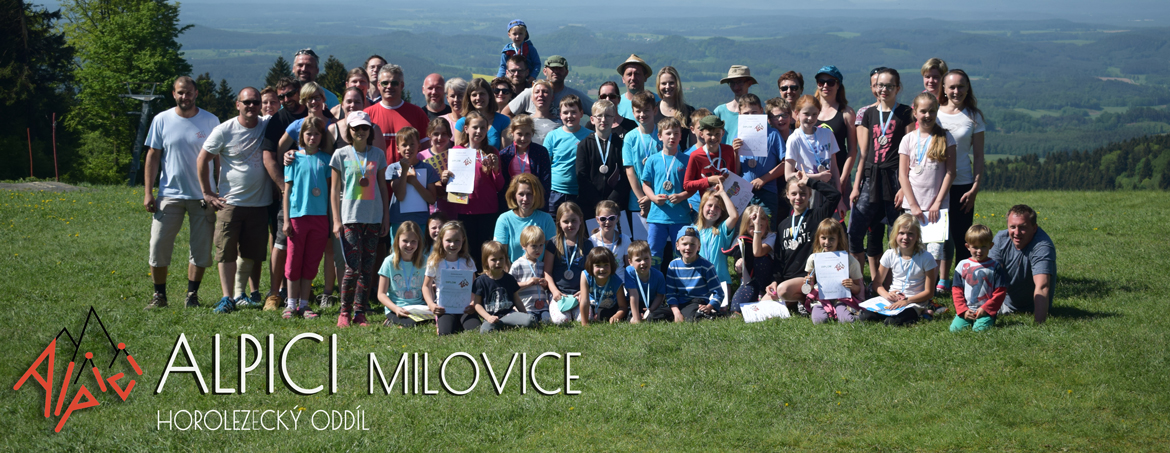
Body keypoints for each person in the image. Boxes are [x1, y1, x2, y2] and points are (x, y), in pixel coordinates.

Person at [142, 76, 220, 310]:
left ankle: (192, 296)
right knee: (158, 245)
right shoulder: (161, 119)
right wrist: (148, 192)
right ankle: (159, 296)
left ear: (196, 93)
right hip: (169, 194)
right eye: (180, 92)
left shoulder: (211, 120)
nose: (185, 96)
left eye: (189, 92)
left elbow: (218, 159)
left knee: (200, 248)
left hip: (203, 196)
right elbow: (153, 156)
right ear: (173, 94)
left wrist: (217, 189)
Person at [196, 87, 272, 314]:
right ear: (237, 104)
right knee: (226, 251)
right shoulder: (224, 130)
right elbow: (202, 159)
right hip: (230, 202)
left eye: (256, 102)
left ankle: (242, 294)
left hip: (259, 203)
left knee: (251, 253)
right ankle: (227, 297)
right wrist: (207, 192)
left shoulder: (267, 125)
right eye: (246, 102)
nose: (251, 106)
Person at [850, 68, 914, 283]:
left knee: (896, 232)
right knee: (855, 231)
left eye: (888, 85)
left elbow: (911, 152)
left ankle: (895, 282)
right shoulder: (868, 113)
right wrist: (856, 186)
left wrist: (905, 188)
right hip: (871, 177)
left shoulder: (906, 112)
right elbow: (864, 153)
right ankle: (858, 282)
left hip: (896, 177)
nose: (883, 89)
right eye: (879, 85)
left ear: (898, 88)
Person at [330, 111, 390, 328]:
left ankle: (360, 312)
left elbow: (382, 186)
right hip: (350, 218)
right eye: (356, 128)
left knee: (367, 268)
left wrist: (385, 217)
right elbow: (335, 189)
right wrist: (336, 220)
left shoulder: (378, 154)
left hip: (373, 217)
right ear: (349, 130)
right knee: (351, 267)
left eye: (365, 128)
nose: (360, 132)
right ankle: (344, 312)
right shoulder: (340, 154)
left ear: (370, 130)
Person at [938, 69, 987, 292]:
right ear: (944, 89)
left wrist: (975, 187)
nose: (956, 91)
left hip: (963, 185)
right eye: (952, 87)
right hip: (936, 184)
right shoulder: (935, 112)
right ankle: (934, 283)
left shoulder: (974, 116)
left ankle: (961, 285)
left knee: (961, 238)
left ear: (968, 88)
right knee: (937, 238)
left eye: (961, 86)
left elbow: (979, 155)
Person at [260, 77, 306, 311]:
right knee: (281, 241)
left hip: (315, 193)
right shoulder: (277, 120)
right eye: (282, 96)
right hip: (288, 193)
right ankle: (274, 293)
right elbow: (268, 157)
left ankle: (302, 291)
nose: (286, 99)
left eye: (290, 94)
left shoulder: (315, 113)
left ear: (299, 91)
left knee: (309, 243)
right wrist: (283, 187)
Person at [766, 172, 841, 314]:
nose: (798, 198)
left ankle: (807, 299)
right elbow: (779, 258)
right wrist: (774, 280)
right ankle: (799, 300)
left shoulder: (816, 216)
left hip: (808, 278)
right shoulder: (783, 225)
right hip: (787, 279)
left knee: (782, 291)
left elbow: (835, 195)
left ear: (810, 195)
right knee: (762, 305)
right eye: (794, 194)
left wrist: (810, 182)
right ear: (787, 195)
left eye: (803, 194)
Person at [438, 110, 505, 267]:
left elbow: (500, 186)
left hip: (488, 210)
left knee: (486, 253)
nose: (479, 131)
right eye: (475, 127)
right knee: (467, 252)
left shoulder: (492, 152)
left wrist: (496, 169)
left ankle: (484, 280)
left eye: (482, 128)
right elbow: (449, 185)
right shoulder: (456, 152)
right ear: (466, 129)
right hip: (464, 210)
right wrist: (444, 179)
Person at [899, 93, 957, 276]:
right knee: (912, 249)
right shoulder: (908, 139)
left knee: (933, 254)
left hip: (936, 209)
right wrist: (913, 205)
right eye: (923, 111)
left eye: (932, 111)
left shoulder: (946, 137)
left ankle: (930, 288)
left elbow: (950, 173)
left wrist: (937, 203)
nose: (927, 115)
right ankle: (914, 285)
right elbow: (903, 175)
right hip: (913, 207)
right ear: (915, 113)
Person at [280, 116, 330, 319]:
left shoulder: (327, 159)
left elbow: (331, 190)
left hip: (320, 217)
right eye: (309, 134)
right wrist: (286, 220)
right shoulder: (293, 159)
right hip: (297, 216)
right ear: (302, 136)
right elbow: (287, 191)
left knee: (312, 261)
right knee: (294, 260)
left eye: (317, 134)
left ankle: (304, 304)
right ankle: (291, 304)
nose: (312, 137)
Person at [858, 213, 938, 326]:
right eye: (901, 233)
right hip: (892, 299)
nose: (905, 237)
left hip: (914, 302)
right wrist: (887, 295)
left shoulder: (926, 257)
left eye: (910, 234)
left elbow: (929, 292)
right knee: (865, 317)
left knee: (891, 322)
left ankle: (922, 312)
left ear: (917, 236)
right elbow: (877, 284)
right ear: (895, 234)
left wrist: (907, 301)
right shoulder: (890, 254)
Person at [988, 204, 1055, 324]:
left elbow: (1042, 286)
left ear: (1034, 228)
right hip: (1004, 303)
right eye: (1012, 227)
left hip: (1033, 307)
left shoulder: (1042, 246)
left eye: (1022, 227)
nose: (1017, 232)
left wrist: (1039, 325)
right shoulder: (1001, 239)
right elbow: (990, 276)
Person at [640, 117, 690, 270]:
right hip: (657, 216)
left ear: (681, 137)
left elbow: (692, 187)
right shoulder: (652, 160)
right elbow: (645, 185)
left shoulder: (687, 160)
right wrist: (653, 198)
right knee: (654, 254)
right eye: (668, 133)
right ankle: (654, 282)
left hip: (680, 216)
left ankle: (679, 282)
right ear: (660, 136)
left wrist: (681, 196)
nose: (672, 137)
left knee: (681, 254)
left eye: (676, 133)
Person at [731, 93, 785, 223]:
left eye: (754, 112)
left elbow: (786, 164)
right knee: (744, 229)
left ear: (761, 111)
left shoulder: (772, 134)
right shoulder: (738, 136)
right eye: (746, 114)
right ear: (739, 114)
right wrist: (735, 153)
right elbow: (736, 171)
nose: (750, 116)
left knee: (767, 228)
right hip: (743, 193)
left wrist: (764, 179)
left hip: (767, 191)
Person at [800, 219, 864, 324]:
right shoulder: (814, 259)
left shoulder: (849, 260)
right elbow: (810, 287)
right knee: (819, 321)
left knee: (847, 321)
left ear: (839, 239)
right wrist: (809, 282)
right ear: (818, 238)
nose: (827, 242)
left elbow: (858, 289)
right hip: (821, 297)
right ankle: (830, 312)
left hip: (842, 298)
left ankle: (851, 314)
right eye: (823, 238)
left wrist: (852, 286)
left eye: (832, 239)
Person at [423, 221, 480, 335]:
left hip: (465, 307)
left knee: (475, 329)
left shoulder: (467, 261)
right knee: (445, 333)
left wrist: (473, 303)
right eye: (448, 240)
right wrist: (431, 305)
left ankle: (459, 321)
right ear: (441, 240)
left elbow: (475, 285)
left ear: (463, 240)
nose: (453, 244)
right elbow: (426, 286)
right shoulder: (435, 262)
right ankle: (444, 321)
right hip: (445, 308)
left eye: (457, 240)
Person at [365, 64, 431, 162]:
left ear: (402, 85)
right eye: (385, 83)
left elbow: (426, 150)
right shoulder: (367, 114)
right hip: (377, 171)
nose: (389, 86)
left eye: (394, 83)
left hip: (410, 171)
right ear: (378, 85)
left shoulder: (417, 113)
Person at [576, 99, 629, 219]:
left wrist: (611, 202)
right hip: (590, 206)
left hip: (616, 206)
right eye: (599, 116)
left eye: (608, 116)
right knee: (593, 233)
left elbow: (626, 176)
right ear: (592, 119)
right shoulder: (584, 145)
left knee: (616, 231)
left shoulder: (622, 145)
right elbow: (581, 176)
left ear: (614, 119)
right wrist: (597, 202)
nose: (603, 120)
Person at [950, 224, 1008, 332]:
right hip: (967, 310)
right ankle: (967, 319)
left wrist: (986, 309)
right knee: (955, 330)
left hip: (985, 311)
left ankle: (988, 319)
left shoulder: (995, 267)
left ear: (991, 245)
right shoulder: (962, 265)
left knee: (979, 330)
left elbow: (1000, 291)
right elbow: (957, 290)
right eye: (975, 247)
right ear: (968, 246)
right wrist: (963, 310)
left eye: (983, 246)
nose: (979, 251)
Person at [618, 91, 660, 240]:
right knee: (640, 245)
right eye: (638, 111)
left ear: (655, 110)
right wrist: (643, 199)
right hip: (638, 203)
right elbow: (630, 171)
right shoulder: (630, 137)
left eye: (646, 110)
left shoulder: (663, 134)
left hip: (661, 199)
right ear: (633, 112)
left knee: (661, 246)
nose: (642, 114)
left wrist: (652, 198)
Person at [543, 202, 592, 324]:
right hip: (559, 293)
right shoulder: (553, 244)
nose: (570, 225)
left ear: (580, 220)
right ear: (559, 223)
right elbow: (547, 272)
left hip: (580, 293)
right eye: (566, 221)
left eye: (574, 221)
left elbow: (590, 272)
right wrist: (554, 291)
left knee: (584, 319)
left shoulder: (587, 244)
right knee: (561, 321)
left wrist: (584, 291)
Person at [387, 127, 440, 240]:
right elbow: (400, 196)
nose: (408, 148)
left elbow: (432, 199)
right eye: (404, 145)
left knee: (420, 250)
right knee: (399, 250)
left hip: (421, 221)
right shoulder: (393, 168)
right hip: (399, 221)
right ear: (398, 148)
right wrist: (404, 171)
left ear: (419, 147)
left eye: (412, 144)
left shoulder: (427, 168)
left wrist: (414, 181)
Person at [377, 221, 432, 328]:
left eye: (413, 241)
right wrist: (396, 309)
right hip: (396, 307)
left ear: (419, 242)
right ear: (397, 241)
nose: (409, 245)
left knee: (433, 320)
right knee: (411, 323)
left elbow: (428, 287)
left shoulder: (425, 261)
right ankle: (391, 321)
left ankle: (396, 322)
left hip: (419, 307)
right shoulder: (389, 262)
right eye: (405, 241)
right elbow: (381, 294)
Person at [474, 241, 537, 333]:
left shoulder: (510, 279)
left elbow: (517, 300)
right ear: (486, 261)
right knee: (485, 331)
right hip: (491, 317)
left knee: (530, 320)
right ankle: (502, 325)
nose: (498, 262)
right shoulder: (480, 281)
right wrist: (488, 317)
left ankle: (507, 324)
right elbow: (477, 304)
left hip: (509, 315)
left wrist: (524, 315)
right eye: (494, 259)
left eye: (501, 258)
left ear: (506, 259)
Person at [692, 185, 739, 305]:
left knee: (720, 310)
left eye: (717, 207)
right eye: (709, 205)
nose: (713, 209)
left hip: (720, 281)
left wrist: (723, 193)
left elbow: (734, 216)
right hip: (700, 281)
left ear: (721, 211)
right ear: (702, 207)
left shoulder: (722, 229)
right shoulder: (694, 231)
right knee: (699, 310)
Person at [493, 173, 557, 262]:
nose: (525, 199)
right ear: (514, 195)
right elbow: (500, 256)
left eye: (529, 194)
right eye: (521, 194)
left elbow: (550, 254)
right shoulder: (504, 219)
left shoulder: (547, 219)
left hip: (540, 270)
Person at [503, 55, 593, 117]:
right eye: (553, 68)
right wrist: (516, 129)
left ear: (566, 73)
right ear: (545, 71)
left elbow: (597, 112)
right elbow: (505, 114)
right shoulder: (530, 93)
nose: (556, 71)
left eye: (560, 69)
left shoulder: (575, 96)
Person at [543, 95, 590, 212]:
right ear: (560, 115)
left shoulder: (590, 136)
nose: (569, 116)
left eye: (574, 112)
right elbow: (545, 165)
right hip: (555, 192)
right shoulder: (552, 136)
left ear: (581, 113)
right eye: (565, 112)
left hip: (581, 193)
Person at [666, 226, 723, 321]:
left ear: (699, 247)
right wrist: (676, 312)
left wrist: (709, 307)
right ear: (677, 245)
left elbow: (719, 293)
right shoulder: (673, 265)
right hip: (679, 303)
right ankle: (681, 314)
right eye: (684, 244)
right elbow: (670, 292)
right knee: (654, 316)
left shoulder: (707, 266)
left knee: (690, 317)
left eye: (692, 244)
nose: (688, 248)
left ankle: (707, 314)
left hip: (697, 302)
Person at [784, 95, 839, 194]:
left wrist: (839, 193)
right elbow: (788, 175)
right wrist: (818, 177)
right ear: (797, 113)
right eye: (806, 114)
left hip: (829, 187)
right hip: (807, 190)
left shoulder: (827, 134)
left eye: (814, 114)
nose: (810, 118)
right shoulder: (794, 139)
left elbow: (834, 167)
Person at [813, 66, 858, 185]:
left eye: (831, 82)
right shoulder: (810, 110)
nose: (825, 86)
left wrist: (843, 178)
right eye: (821, 82)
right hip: (813, 175)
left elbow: (852, 149)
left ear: (838, 85)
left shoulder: (846, 113)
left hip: (840, 174)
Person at [683, 115, 739, 207]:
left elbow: (734, 176)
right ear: (701, 134)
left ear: (723, 133)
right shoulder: (695, 155)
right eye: (709, 134)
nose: (713, 138)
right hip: (707, 206)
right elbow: (687, 185)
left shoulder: (729, 150)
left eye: (717, 134)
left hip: (726, 204)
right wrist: (708, 180)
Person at [728, 205, 775, 315]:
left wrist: (757, 228)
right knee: (735, 309)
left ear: (766, 223)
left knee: (760, 259)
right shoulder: (740, 239)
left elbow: (757, 252)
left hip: (766, 283)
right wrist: (738, 267)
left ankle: (761, 294)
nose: (755, 229)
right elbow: (739, 271)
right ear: (745, 225)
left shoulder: (771, 237)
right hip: (748, 282)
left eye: (760, 225)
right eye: (751, 226)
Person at [499, 115, 552, 198]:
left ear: (532, 133)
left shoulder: (541, 152)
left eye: (527, 134)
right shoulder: (504, 154)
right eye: (519, 134)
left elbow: (546, 181)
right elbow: (503, 182)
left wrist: (542, 200)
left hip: (534, 198)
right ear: (512, 133)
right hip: (512, 198)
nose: (523, 138)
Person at [454, 78, 511, 149]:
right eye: (474, 95)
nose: (478, 98)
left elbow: (505, 152)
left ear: (489, 95)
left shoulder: (504, 121)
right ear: (469, 98)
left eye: (482, 94)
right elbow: (458, 152)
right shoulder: (461, 123)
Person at [510, 225, 552, 322]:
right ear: (523, 246)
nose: (538, 249)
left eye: (541, 245)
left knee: (548, 320)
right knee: (530, 321)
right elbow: (510, 286)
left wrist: (545, 284)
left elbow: (546, 287)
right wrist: (527, 283)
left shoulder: (542, 265)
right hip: (526, 307)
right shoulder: (517, 264)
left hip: (542, 307)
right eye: (534, 246)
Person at [579, 248, 628, 325]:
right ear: (591, 266)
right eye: (598, 266)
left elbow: (623, 307)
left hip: (610, 307)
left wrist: (616, 316)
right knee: (581, 316)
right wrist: (584, 324)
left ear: (612, 265)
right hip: (591, 305)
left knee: (604, 315)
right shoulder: (585, 275)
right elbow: (584, 301)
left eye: (606, 265)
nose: (602, 269)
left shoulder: (616, 281)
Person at [623, 240, 669, 323]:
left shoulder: (659, 275)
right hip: (635, 303)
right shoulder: (629, 272)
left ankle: (649, 316)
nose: (643, 262)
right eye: (638, 260)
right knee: (628, 314)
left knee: (659, 314)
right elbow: (633, 295)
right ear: (630, 262)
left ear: (651, 258)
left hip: (653, 303)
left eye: (646, 258)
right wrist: (636, 318)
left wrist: (651, 309)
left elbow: (660, 296)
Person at [713, 65, 756, 145]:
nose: (736, 87)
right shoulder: (719, 112)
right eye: (732, 83)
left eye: (740, 82)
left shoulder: (757, 113)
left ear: (749, 83)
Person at [656, 66, 695, 150]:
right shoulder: (653, 110)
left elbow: (693, 147)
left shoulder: (689, 111)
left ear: (677, 84)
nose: (667, 87)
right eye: (663, 83)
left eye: (671, 83)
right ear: (658, 86)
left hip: (682, 157)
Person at [615, 54, 657, 122]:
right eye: (629, 74)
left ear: (645, 77)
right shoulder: (617, 104)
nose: (633, 78)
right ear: (623, 79)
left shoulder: (657, 102)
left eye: (637, 74)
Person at [589, 200, 631, 266]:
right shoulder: (592, 241)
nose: (607, 222)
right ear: (597, 219)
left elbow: (629, 266)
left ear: (617, 218)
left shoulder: (625, 239)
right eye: (603, 219)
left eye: (611, 218)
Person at [526, 81, 561, 145]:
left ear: (552, 97)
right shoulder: (525, 122)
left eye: (545, 92)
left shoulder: (560, 123)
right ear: (531, 97)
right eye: (537, 92)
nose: (540, 95)